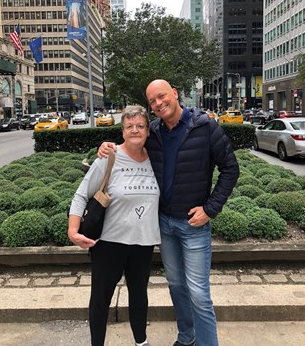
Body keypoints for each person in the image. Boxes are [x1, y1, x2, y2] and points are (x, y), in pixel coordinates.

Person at [98, 80, 239, 346]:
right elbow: (131, 142)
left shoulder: (206, 127)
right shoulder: (154, 131)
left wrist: (210, 209)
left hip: (194, 225)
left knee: (198, 293)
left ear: (175, 93)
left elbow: (231, 169)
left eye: (161, 96)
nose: (158, 103)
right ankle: (186, 337)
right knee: (175, 285)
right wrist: (109, 148)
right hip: (164, 224)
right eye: (152, 101)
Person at [68, 105, 160, 346]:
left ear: (148, 131)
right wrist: (73, 230)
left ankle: (141, 341)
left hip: (143, 243)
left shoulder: (157, 159)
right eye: (129, 126)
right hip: (108, 243)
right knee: (100, 299)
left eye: (140, 126)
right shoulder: (109, 158)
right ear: (122, 131)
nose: (135, 130)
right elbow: (80, 195)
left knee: (139, 297)